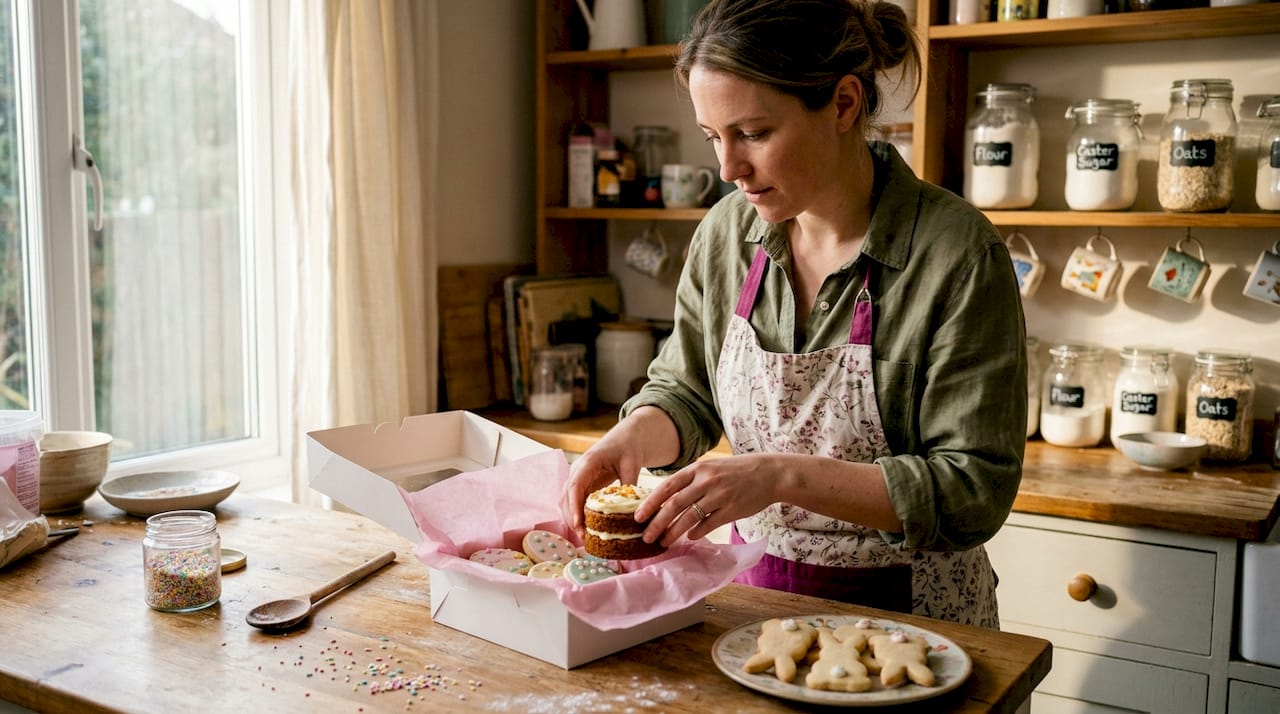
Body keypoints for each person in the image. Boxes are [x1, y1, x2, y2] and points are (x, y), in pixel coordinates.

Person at [560, 0, 1026, 629]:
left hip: (918, 622)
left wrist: (778, 475)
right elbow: (685, 392)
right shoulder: (726, 235)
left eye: (753, 133)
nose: (729, 170)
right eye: (713, 138)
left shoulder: (957, 254)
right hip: (756, 607)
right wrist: (630, 437)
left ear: (842, 104)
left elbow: (973, 491)